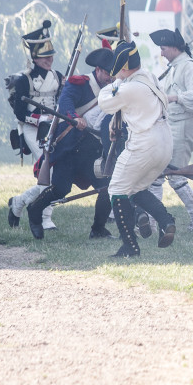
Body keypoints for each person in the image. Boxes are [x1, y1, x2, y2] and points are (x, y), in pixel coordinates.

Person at [24, 45, 116, 240]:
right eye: (108, 73)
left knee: (107, 187)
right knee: (61, 188)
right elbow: (65, 102)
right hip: (70, 146)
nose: (111, 77)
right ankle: (34, 211)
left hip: (91, 150)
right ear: (98, 70)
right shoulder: (81, 83)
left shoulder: (113, 89)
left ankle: (98, 229)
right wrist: (75, 118)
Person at [96, 40, 177, 258]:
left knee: (117, 190)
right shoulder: (148, 76)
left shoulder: (128, 87)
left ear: (122, 67)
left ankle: (130, 247)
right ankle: (165, 220)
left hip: (145, 143)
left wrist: (115, 82)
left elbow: (104, 102)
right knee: (135, 188)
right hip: (164, 141)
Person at [148, 28, 193, 231]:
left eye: (164, 48)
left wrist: (173, 98)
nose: (162, 53)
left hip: (183, 126)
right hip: (170, 125)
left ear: (174, 48)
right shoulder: (175, 66)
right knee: (157, 174)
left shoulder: (188, 67)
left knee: (175, 175)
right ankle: (152, 222)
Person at [6, 20, 62, 232]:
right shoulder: (24, 79)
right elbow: (20, 112)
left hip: (53, 126)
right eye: (45, 56)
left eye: (51, 55)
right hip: (32, 128)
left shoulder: (57, 76)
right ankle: (45, 217)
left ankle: (18, 203)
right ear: (35, 57)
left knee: (56, 172)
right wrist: (40, 120)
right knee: (49, 169)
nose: (50, 59)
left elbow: (62, 102)